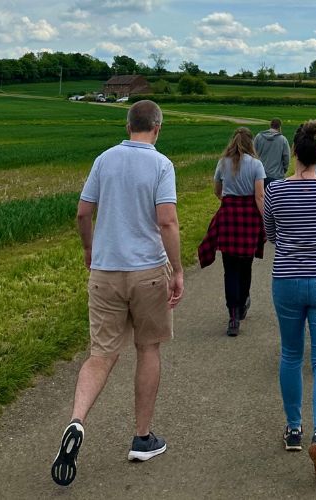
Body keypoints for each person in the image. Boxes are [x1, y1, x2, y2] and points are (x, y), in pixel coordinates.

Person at [52, 100, 184, 486]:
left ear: (129, 125)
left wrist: (89, 249)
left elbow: (82, 212)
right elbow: (168, 221)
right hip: (147, 272)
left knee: (101, 354)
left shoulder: (104, 160)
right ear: (157, 127)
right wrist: (177, 270)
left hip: (106, 272)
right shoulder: (161, 165)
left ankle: (77, 420)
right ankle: (142, 437)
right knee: (148, 348)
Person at [264, 121, 316, 482]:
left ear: (293, 153)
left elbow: (270, 233)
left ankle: (294, 428)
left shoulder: (276, 191)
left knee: (291, 354)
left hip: (288, 280)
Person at [198, 127, 267, 336]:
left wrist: (227, 202)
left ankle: (233, 316)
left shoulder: (222, 163)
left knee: (230, 270)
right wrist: (266, 221)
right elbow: (259, 197)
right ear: (250, 143)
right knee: (245, 267)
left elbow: (216, 190)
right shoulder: (256, 165)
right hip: (248, 219)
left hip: (228, 217)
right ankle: (243, 301)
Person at [254, 118, 291, 189]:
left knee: (260, 198)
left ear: (270, 125)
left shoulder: (259, 137)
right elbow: (287, 158)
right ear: (280, 127)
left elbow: (252, 154)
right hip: (276, 176)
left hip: (259, 175)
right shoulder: (283, 139)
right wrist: (284, 170)